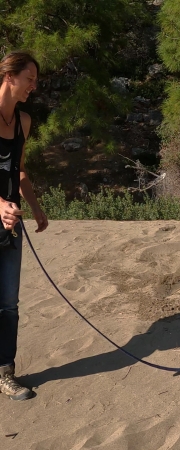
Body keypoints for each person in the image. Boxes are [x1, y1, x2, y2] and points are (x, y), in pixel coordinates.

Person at [0, 51, 48, 401]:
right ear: (9, 76)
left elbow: (19, 171)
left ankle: (5, 373)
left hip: (10, 226)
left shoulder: (24, 122)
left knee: (8, 304)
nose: (34, 86)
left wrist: (34, 207)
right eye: (29, 78)